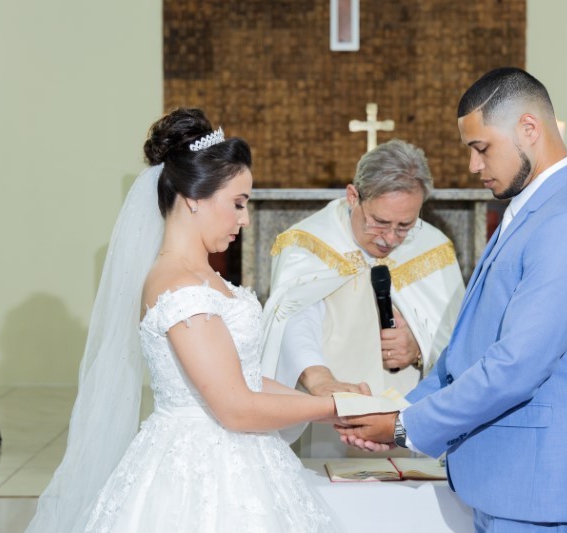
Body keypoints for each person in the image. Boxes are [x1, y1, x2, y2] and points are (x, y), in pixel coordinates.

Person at [337, 67, 567, 532]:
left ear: (528, 128)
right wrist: (403, 412)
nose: (474, 165)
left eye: (481, 147)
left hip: (546, 492)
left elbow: (517, 365)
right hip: (508, 479)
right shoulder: (531, 209)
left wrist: (406, 427)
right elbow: (469, 349)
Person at [27, 108, 341, 532]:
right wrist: (335, 409)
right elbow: (234, 408)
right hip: (200, 470)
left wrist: (326, 398)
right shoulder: (178, 286)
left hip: (243, 457)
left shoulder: (203, 277)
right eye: (238, 203)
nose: (245, 219)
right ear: (195, 197)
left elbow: (242, 379)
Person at [259, 139, 465, 457]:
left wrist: (418, 348)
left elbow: (460, 337)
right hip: (333, 415)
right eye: (379, 222)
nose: (390, 239)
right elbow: (294, 321)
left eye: (405, 225)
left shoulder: (432, 249)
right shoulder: (308, 244)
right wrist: (320, 379)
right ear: (353, 196)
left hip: (407, 417)